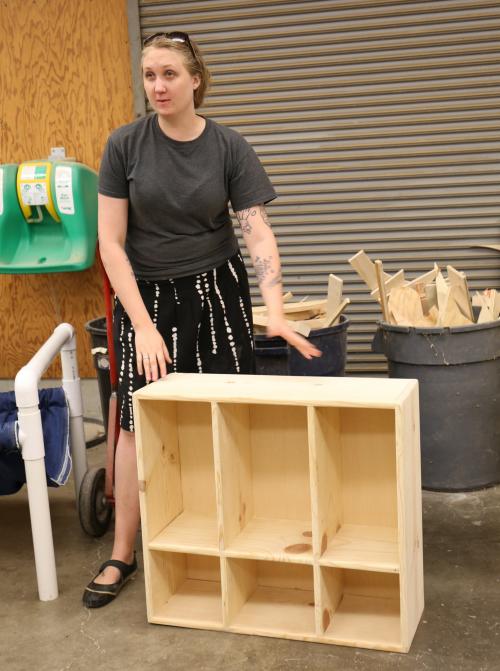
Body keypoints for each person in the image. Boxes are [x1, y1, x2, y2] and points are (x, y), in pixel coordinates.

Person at [82, 31, 321, 608]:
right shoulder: (124, 145)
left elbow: (256, 229)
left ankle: (225, 538)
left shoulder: (229, 147)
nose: (158, 87)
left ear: (195, 81)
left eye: (169, 75)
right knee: (138, 421)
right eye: (149, 76)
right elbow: (110, 244)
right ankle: (123, 551)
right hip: (147, 300)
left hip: (217, 293)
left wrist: (276, 309)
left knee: (224, 415)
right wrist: (140, 324)